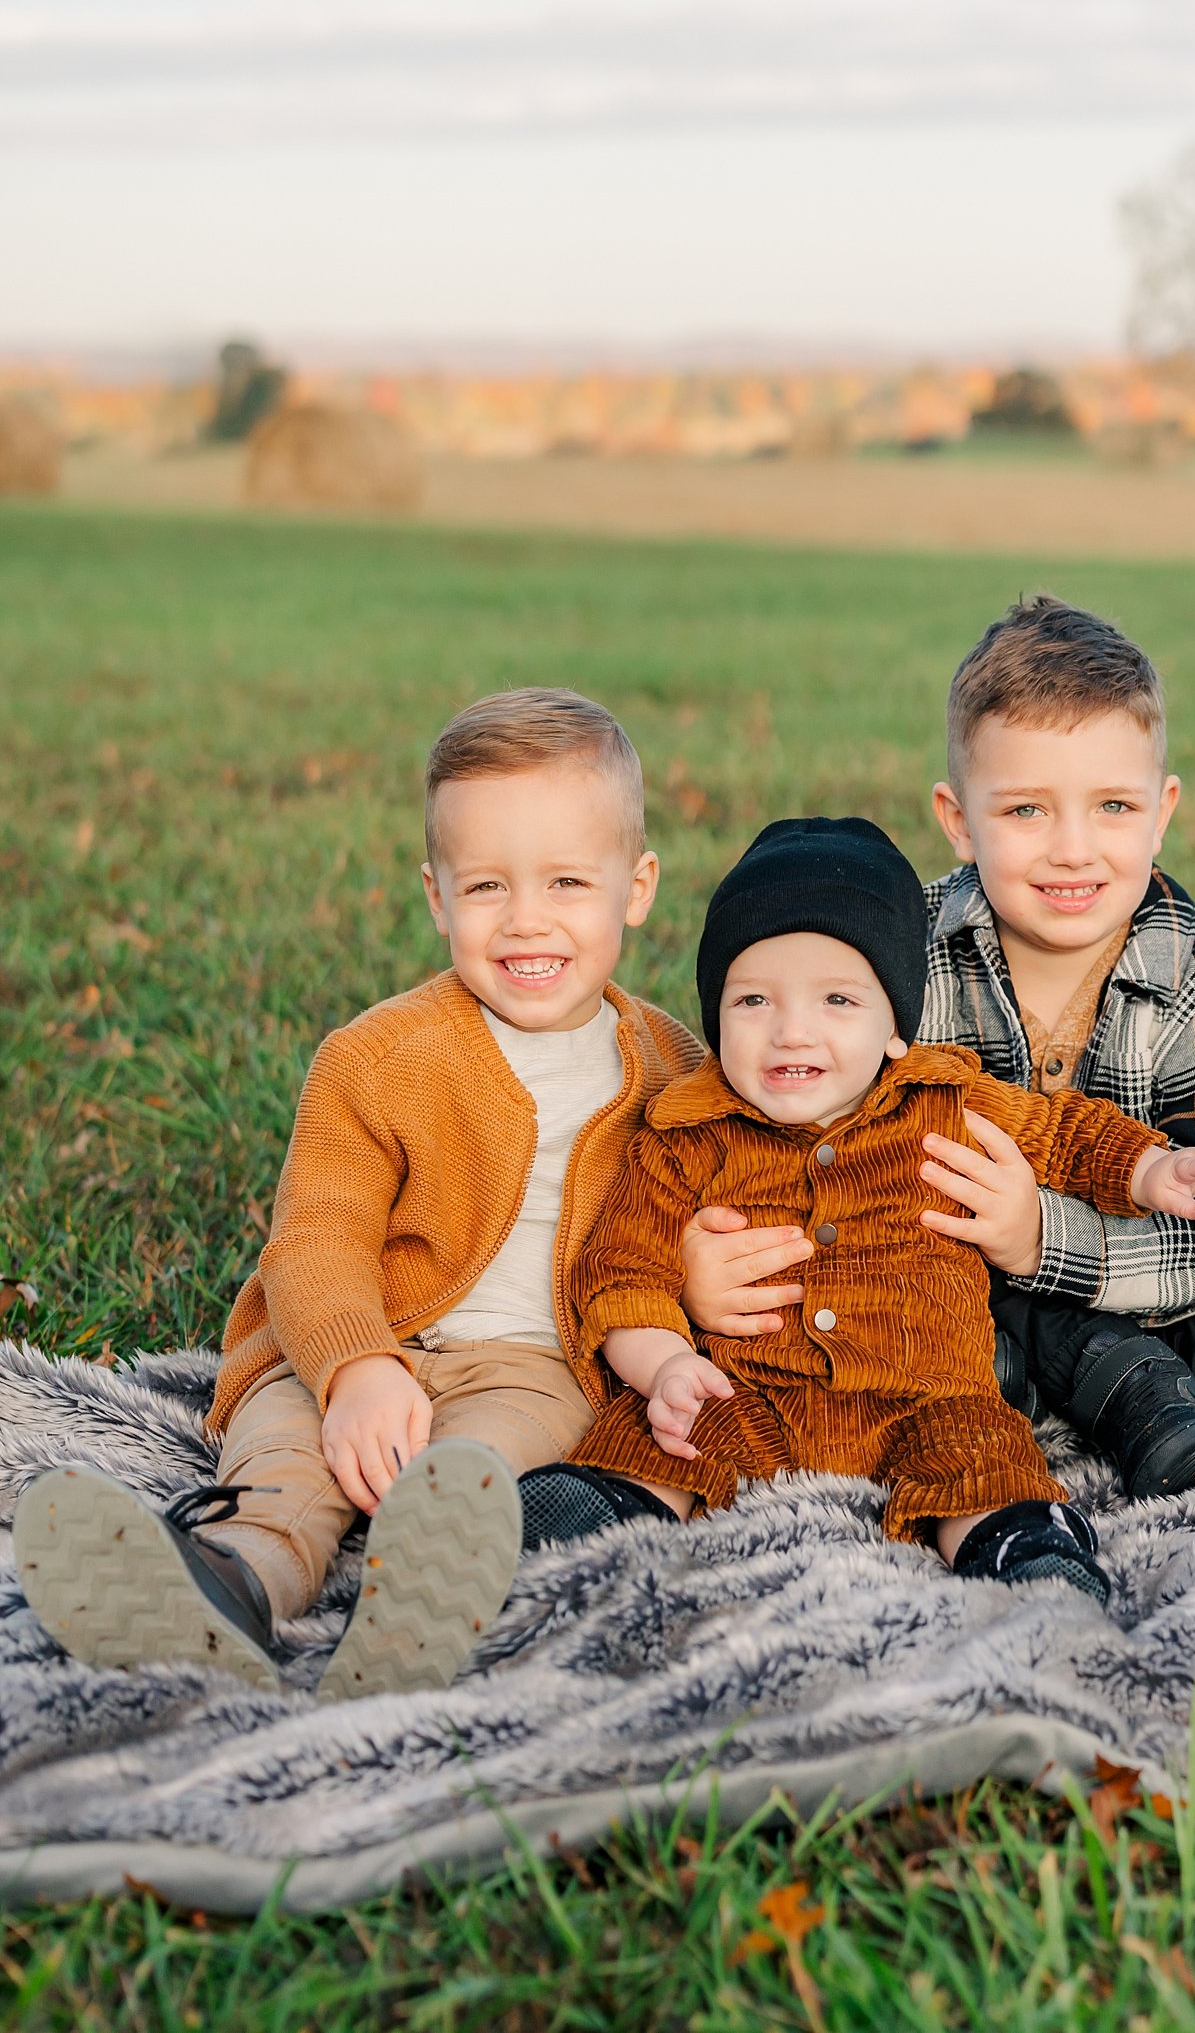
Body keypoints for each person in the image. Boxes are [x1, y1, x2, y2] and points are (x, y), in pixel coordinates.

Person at [676, 600, 1195, 1501]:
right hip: (935, 1286)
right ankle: (1110, 1388)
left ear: (1162, 812)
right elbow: (773, 1121)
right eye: (1027, 811)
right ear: (959, 819)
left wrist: (1044, 1240)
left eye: (1113, 806)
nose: (1073, 851)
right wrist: (706, 1266)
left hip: (1165, 1288)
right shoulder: (897, 952)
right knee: (875, 1294)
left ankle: (1076, 1380)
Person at [15, 689, 700, 1699]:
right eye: (486, 889)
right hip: (359, 1340)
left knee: (480, 1467)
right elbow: (316, 1243)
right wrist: (355, 1369)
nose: (526, 921)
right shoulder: (377, 1058)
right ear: (435, 896)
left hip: (535, 1365)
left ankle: (409, 1612)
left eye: (566, 882)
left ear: (635, 887)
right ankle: (235, 1580)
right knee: (290, 1452)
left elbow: (710, 1208)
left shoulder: (671, 1067)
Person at [516, 817, 1195, 1602]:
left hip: (925, 1394)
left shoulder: (940, 1099)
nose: (790, 1030)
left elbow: (1063, 1133)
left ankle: (1020, 1549)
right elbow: (622, 1271)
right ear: (717, 1014)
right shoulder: (686, 1131)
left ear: (894, 1027)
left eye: (837, 999)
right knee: (663, 1429)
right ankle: (597, 1513)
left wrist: (1149, 1167)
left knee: (979, 1453)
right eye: (753, 1000)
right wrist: (666, 1365)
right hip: (750, 1392)